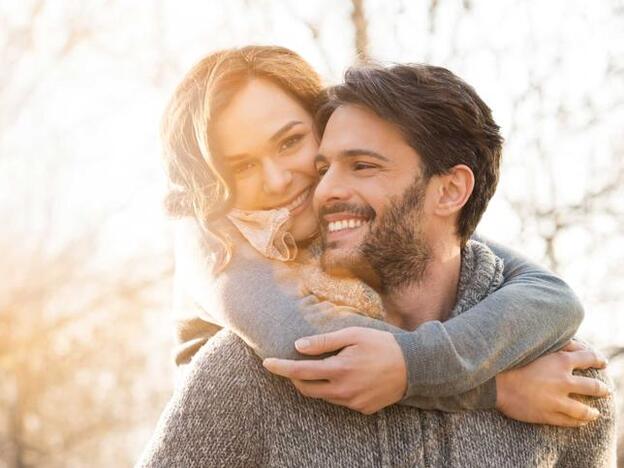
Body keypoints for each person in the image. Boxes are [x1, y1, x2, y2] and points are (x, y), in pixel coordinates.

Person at [138, 62, 615, 467]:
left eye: (292, 143)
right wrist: (497, 390)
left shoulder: (569, 381)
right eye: (240, 165)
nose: (285, 180)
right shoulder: (222, 273)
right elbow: (313, 351)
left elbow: (545, 290)